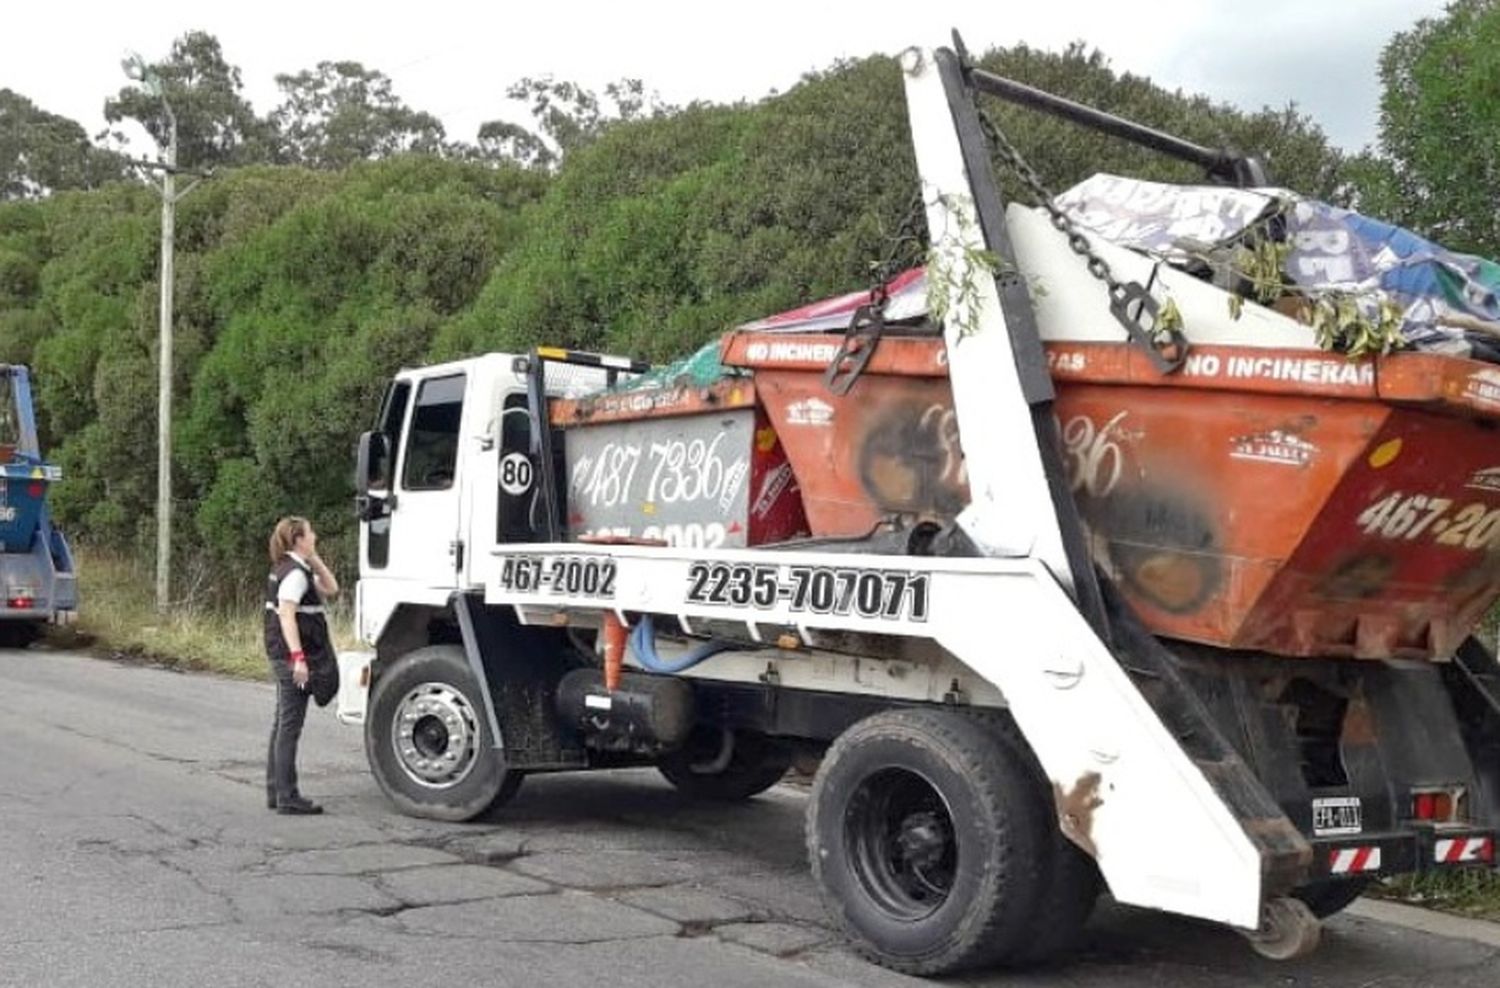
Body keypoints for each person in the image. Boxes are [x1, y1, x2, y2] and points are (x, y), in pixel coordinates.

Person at [264, 516, 340, 815]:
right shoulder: (295, 574)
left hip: (281, 654)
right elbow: (286, 615)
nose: (315, 535)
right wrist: (298, 659)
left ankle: (276, 790)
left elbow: (331, 588)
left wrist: (315, 559)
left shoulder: (293, 567)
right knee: (289, 727)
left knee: (281, 723)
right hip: (291, 657)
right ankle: (288, 796)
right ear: (298, 539)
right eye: (310, 533)